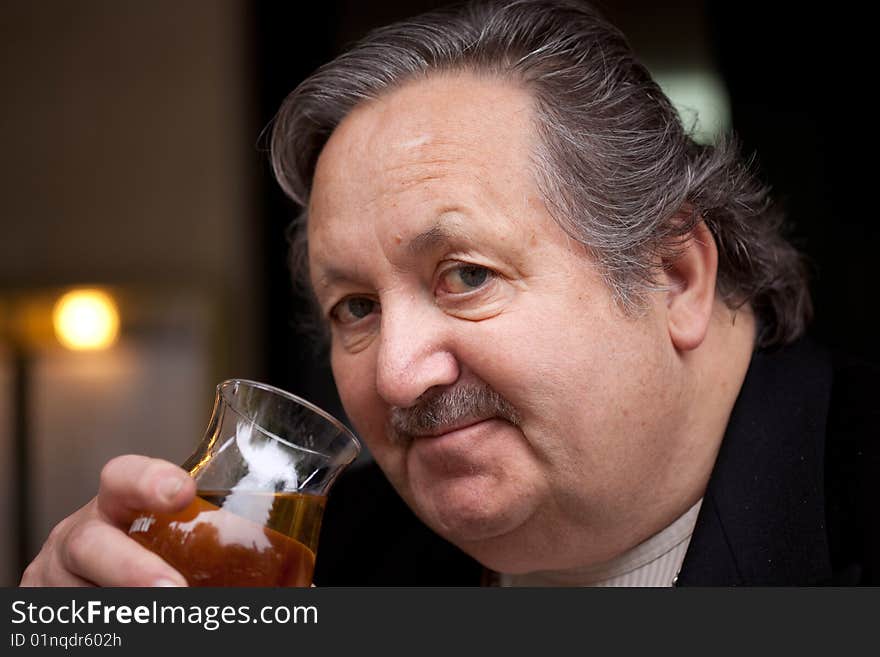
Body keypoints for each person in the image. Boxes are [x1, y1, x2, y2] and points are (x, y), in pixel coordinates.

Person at [21, 0, 877, 587]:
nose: (396, 377)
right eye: (355, 306)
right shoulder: (332, 563)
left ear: (675, 274)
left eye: (466, 275)